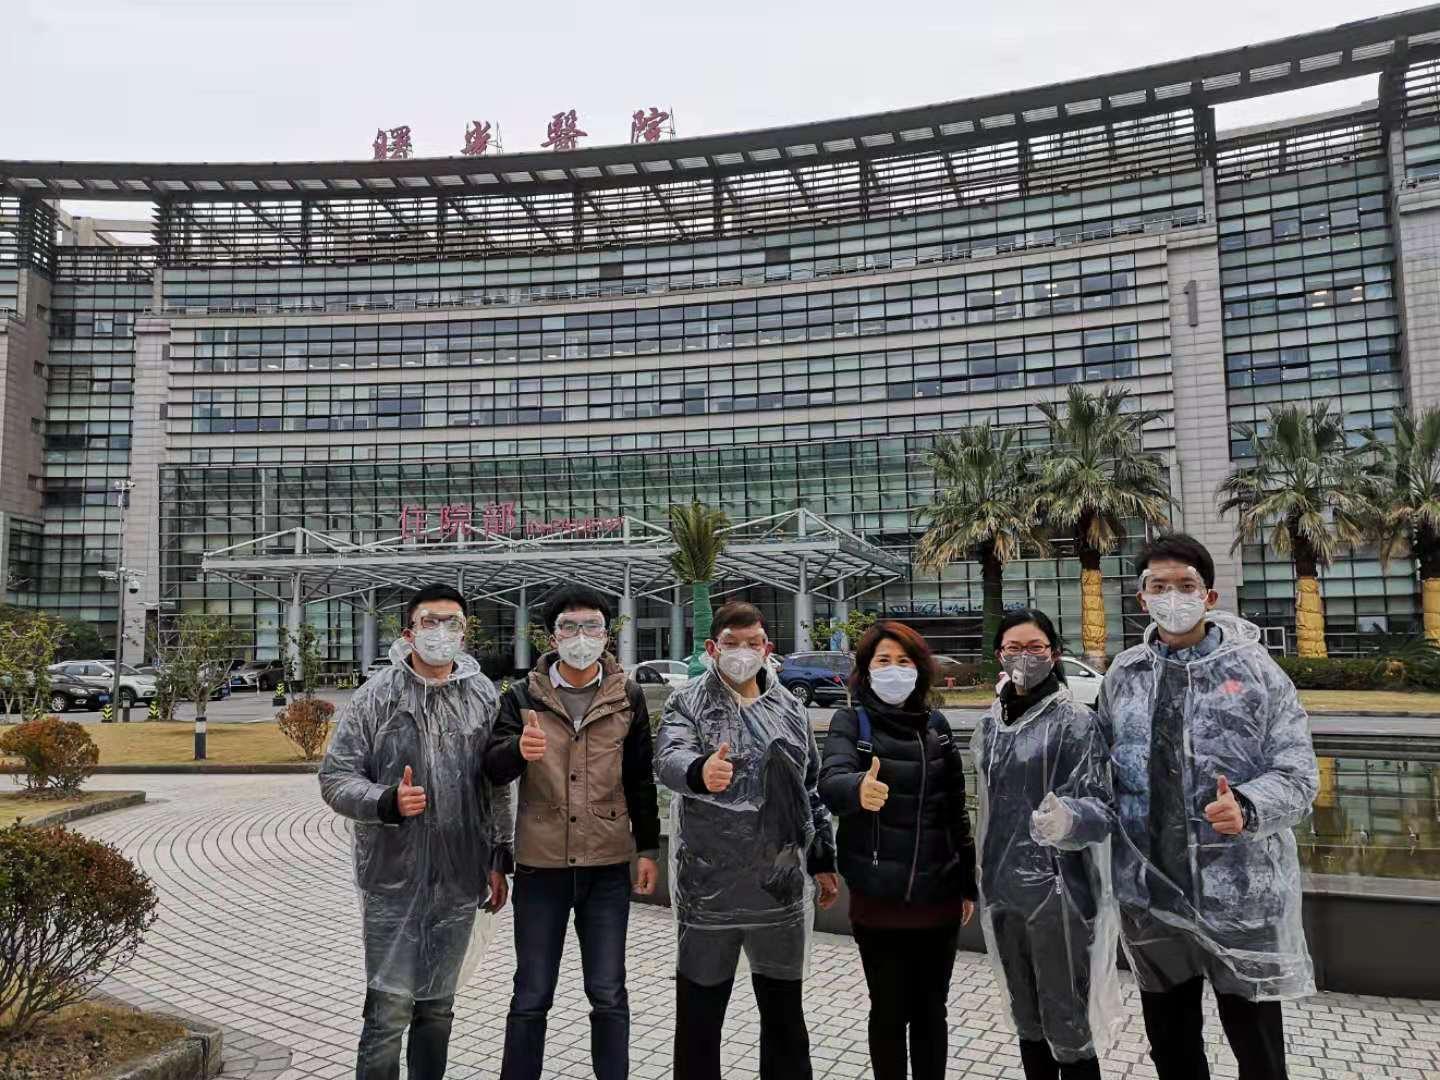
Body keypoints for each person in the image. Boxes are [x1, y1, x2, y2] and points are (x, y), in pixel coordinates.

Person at [1096, 533, 1319, 1080]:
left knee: (1258, 1052)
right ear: (1141, 598)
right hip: (1151, 895)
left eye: (1186, 585)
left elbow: (1298, 773)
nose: (1173, 597)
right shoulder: (1124, 675)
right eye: (1159, 586)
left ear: (1210, 596)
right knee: (1172, 1049)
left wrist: (1248, 804)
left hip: (1239, 896)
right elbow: (1099, 771)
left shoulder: (1256, 673)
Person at [319, 583, 513, 1080]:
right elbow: (336, 778)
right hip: (392, 879)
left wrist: (500, 855)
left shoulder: (481, 695)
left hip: (460, 877)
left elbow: (496, 784)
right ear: (408, 632)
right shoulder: (377, 696)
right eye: (430, 622)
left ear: (465, 634)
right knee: (388, 1011)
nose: (441, 632)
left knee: (437, 1008)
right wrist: (386, 800)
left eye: (452, 623)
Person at [654, 600, 839, 1080]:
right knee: (699, 1022)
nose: (742, 652)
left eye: (752, 643)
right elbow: (668, 757)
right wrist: (699, 771)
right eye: (731, 643)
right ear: (712, 648)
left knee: (784, 1020)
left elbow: (810, 789)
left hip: (779, 889)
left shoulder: (790, 708)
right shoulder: (687, 703)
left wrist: (822, 859)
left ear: (767, 648)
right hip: (707, 890)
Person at [483, 584, 661, 1080]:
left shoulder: (627, 696)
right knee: (531, 993)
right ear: (552, 636)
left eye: (591, 627)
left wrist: (647, 848)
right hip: (540, 868)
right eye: (569, 627)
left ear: (607, 635)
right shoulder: (521, 697)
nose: (581, 637)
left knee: (608, 992)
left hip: (607, 867)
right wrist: (517, 750)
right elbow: (492, 769)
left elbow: (640, 778)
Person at [818, 621, 978, 1080]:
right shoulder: (852, 723)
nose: (894, 670)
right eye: (883, 661)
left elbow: (955, 810)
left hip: (939, 895)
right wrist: (856, 788)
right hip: (879, 897)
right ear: (866, 670)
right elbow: (830, 780)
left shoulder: (937, 728)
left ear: (919, 669)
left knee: (931, 1011)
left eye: (904, 661)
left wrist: (967, 882)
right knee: (888, 1011)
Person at [974, 608, 1121, 1080]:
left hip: (1061, 895)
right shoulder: (991, 726)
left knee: (1068, 1023)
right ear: (999, 654)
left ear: (1054, 654)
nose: (1025, 657)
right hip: (1003, 893)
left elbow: (1103, 807)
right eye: (1013, 648)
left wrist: (1070, 819)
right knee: (1027, 1019)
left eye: (1035, 647)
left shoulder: (1075, 722)